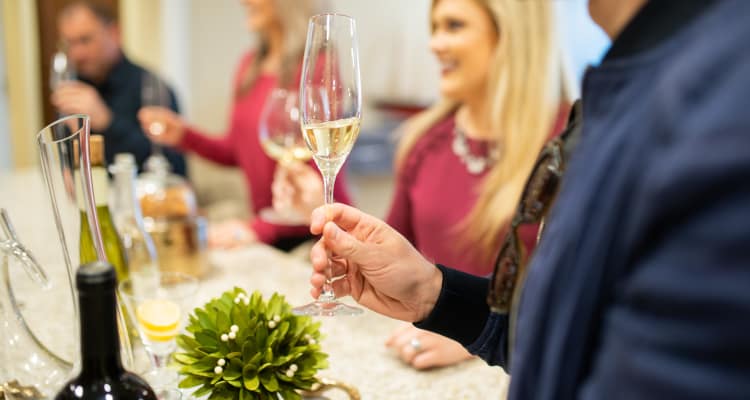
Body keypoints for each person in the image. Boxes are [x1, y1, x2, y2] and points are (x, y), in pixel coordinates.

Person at [306, 0, 750, 398]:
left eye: (454, 25)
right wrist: (434, 295)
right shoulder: (627, 88)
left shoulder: (714, 104)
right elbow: (566, 332)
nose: (435, 43)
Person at [275, 0, 572, 370]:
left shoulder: (568, 147)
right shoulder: (424, 138)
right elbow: (393, 249)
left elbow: (570, 298)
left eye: (454, 26)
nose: (434, 43)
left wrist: (475, 333)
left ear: (510, 35)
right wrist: (324, 209)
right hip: (414, 348)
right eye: (435, 27)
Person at [138, 0, 352, 251]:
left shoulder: (317, 65)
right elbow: (237, 152)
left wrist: (255, 228)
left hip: (313, 235)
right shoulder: (249, 66)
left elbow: (317, 183)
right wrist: (183, 135)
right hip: (268, 232)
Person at [51, 1, 186, 176]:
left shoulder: (152, 87)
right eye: (69, 44)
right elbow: (68, 164)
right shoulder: (73, 89)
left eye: (85, 40)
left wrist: (107, 122)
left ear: (114, 33)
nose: (77, 54)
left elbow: (175, 168)